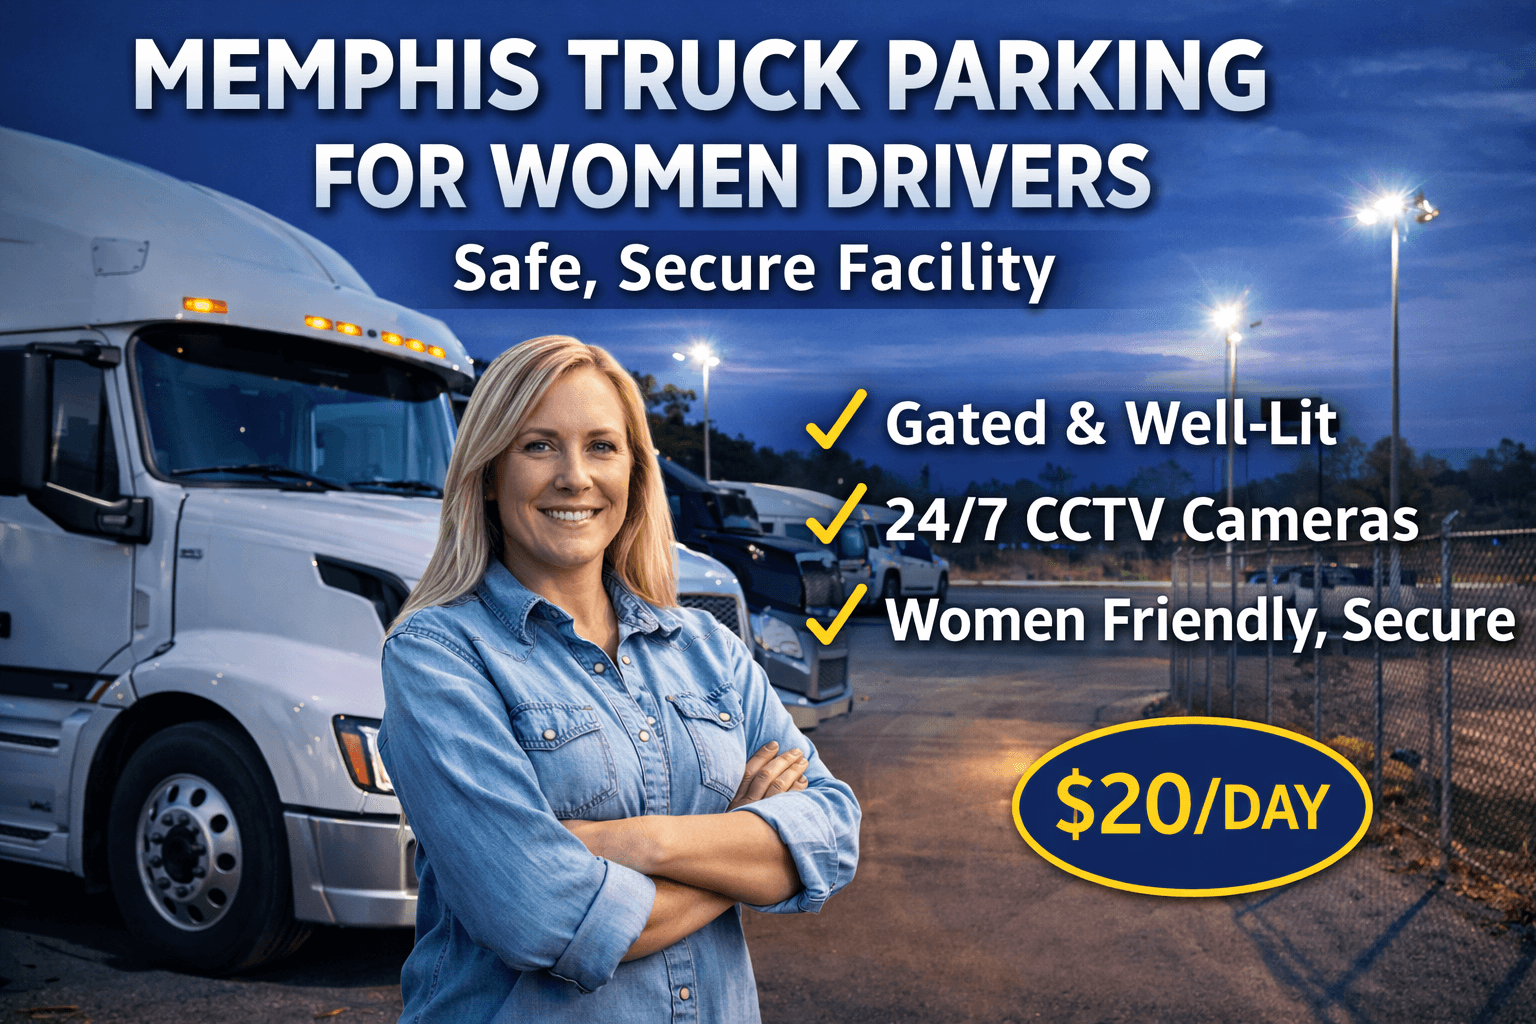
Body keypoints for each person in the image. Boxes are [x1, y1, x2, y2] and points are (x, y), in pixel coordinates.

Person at [377, 335, 861, 1022]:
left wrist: (635, 842)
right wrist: (743, 844)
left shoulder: (707, 650)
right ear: (488, 472)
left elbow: (834, 833)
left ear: (635, 473)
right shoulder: (437, 653)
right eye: (538, 445)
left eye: (602, 446)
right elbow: (542, 914)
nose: (574, 477)